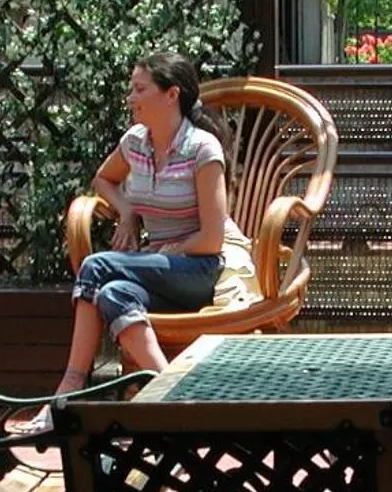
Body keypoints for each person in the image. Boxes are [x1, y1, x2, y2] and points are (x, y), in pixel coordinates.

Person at [38, 53, 255, 421]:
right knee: (113, 293)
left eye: (139, 89)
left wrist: (174, 248)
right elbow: (104, 180)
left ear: (171, 95)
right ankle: (171, 395)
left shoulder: (202, 149)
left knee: (96, 265)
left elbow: (213, 239)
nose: (130, 98)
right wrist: (127, 210)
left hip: (201, 270)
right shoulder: (135, 142)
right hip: (159, 268)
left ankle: (70, 388)